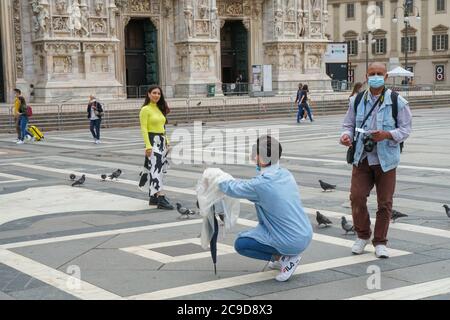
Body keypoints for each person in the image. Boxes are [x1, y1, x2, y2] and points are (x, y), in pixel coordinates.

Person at [340, 62, 412, 259]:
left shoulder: (398, 102)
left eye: (379, 73)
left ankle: (380, 241)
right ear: (366, 76)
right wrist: (345, 136)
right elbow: (348, 124)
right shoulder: (356, 100)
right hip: (362, 156)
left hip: (386, 159)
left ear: (386, 76)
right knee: (356, 197)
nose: (376, 76)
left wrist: (387, 134)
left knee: (385, 202)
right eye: (372, 73)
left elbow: (405, 130)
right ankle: (363, 235)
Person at [218, 135, 313, 282]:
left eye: (255, 154)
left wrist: (214, 177)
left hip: (290, 240)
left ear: (261, 158)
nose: (252, 157)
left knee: (241, 244)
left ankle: (285, 258)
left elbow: (233, 188)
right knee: (257, 232)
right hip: (305, 233)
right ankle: (282, 257)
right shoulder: (286, 174)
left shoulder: (260, 185)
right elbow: (250, 185)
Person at [139, 85, 174, 210]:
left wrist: (167, 142)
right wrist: (148, 146)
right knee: (156, 169)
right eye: (154, 93)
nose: (156, 95)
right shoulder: (145, 109)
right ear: (148, 94)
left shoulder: (159, 109)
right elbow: (144, 128)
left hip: (161, 141)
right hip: (152, 141)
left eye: (158, 93)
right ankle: (160, 197)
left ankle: (153, 197)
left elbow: (162, 127)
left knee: (158, 168)